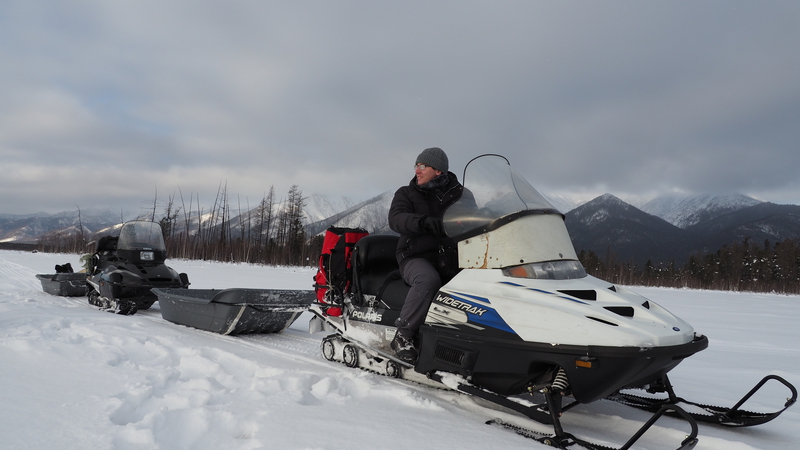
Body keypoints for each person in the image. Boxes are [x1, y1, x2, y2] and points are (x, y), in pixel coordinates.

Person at [387, 147, 464, 363]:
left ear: (438, 170)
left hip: (452, 257)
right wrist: (421, 222)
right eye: (416, 166)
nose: (417, 171)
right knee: (428, 280)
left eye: (422, 166)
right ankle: (404, 335)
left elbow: (473, 219)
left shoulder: (461, 195)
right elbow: (396, 219)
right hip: (415, 256)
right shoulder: (406, 193)